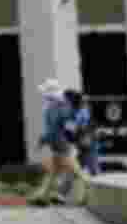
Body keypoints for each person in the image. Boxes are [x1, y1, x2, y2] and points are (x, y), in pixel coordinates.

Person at [29, 79, 88, 207]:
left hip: (57, 144)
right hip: (60, 144)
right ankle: (79, 198)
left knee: (63, 172)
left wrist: (43, 140)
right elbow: (67, 121)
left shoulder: (52, 108)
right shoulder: (59, 107)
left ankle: (42, 197)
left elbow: (53, 128)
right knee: (68, 173)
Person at [64, 89, 100, 176]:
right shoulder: (75, 110)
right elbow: (72, 125)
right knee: (85, 155)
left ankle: (91, 171)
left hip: (85, 135)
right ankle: (89, 170)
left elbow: (82, 124)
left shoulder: (81, 110)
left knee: (87, 154)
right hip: (83, 136)